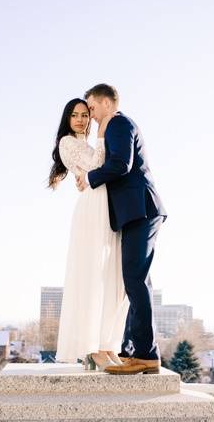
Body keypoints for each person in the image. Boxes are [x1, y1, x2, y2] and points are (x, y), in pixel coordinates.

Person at [76, 83, 167, 375]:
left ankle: (145, 355)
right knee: (138, 282)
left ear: (106, 103)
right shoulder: (117, 125)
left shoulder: (118, 122)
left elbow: (120, 164)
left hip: (141, 210)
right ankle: (138, 352)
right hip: (136, 213)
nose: (90, 114)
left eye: (91, 107)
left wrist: (90, 178)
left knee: (135, 282)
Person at [48, 98, 129, 370]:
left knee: (111, 277)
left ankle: (107, 344)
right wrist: (103, 132)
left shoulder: (86, 143)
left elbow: (98, 167)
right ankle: (92, 348)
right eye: (75, 115)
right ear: (67, 120)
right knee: (93, 276)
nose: (81, 119)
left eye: (85, 114)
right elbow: (97, 163)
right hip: (92, 208)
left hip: (105, 206)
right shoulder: (68, 143)